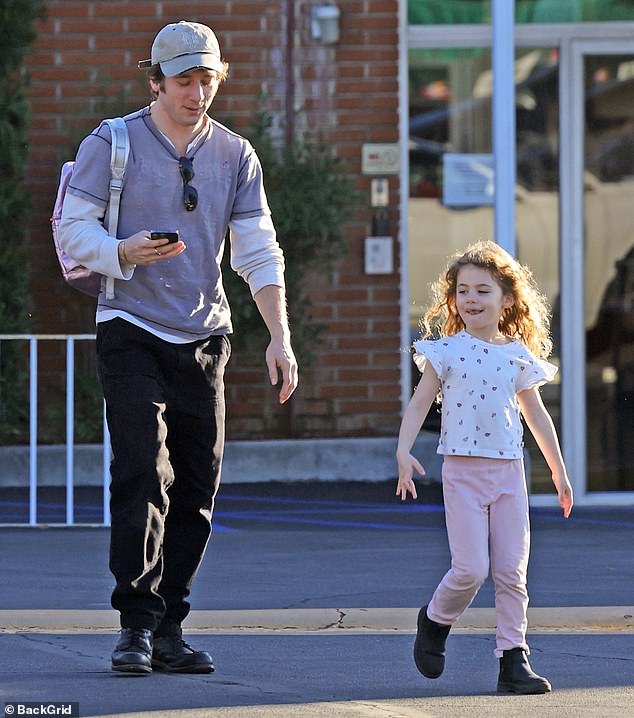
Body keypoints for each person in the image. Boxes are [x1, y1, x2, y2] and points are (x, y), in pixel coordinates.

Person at [59, 20, 298, 675]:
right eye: (185, 80)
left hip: (204, 337)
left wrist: (280, 336)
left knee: (195, 489)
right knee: (142, 472)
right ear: (155, 80)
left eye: (207, 80)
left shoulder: (235, 154)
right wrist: (120, 252)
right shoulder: (111, 143)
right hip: (129, 328)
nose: (197, 93)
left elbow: (257, 250)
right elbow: (73, 228)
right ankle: (134, 625)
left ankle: (170, 627)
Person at [395, 240, 573, 694]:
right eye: (462, 291)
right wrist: (403, 451)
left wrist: (558, 470)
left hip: (509, 474)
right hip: (463, 474)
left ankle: (514, 660)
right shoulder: (446, 352)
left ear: (507, 299)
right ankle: (435, 621)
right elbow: (418, 405)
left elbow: (536, 415)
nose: (470, 299)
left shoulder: (515, 355)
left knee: (513, 573)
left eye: (482, 291)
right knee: (470, 569)